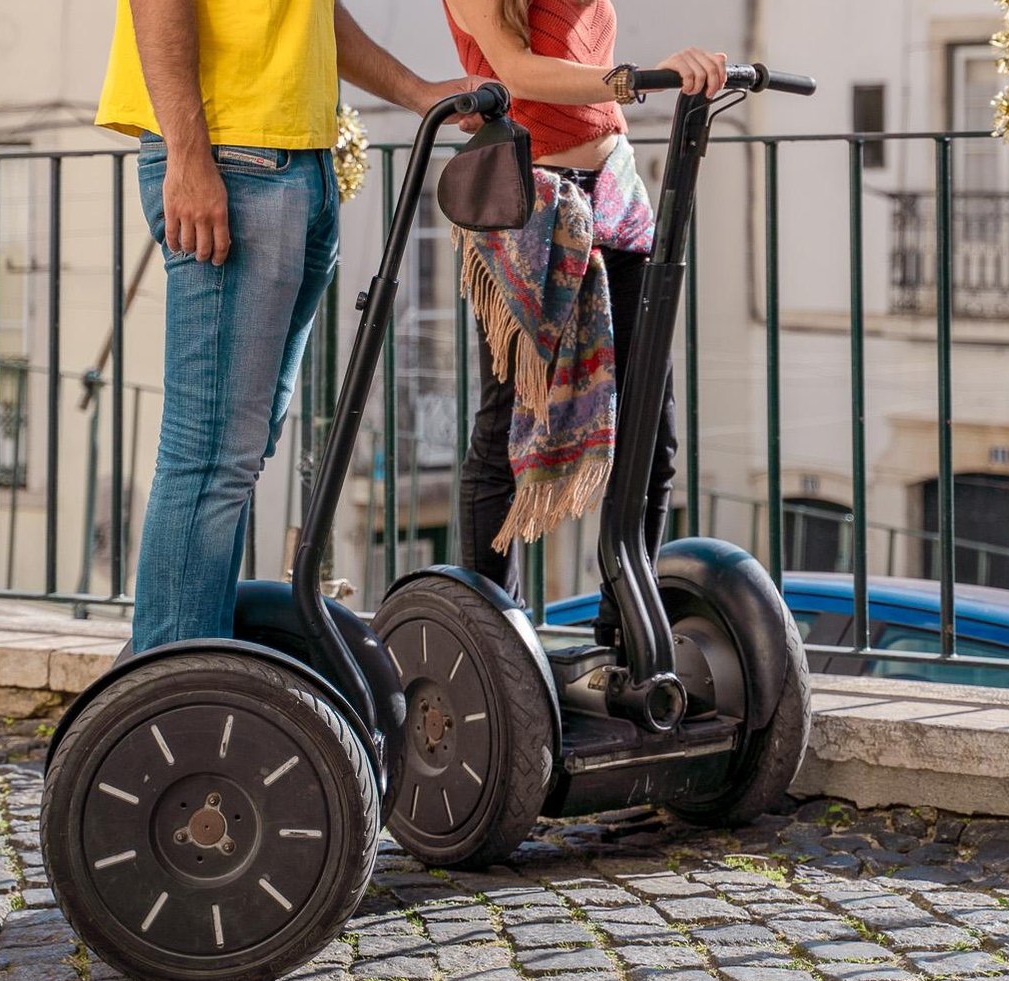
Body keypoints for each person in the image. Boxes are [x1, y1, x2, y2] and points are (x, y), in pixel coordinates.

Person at [96, 0, 476, 651]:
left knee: (238, 454)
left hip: (302, 159)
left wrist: (418, 93)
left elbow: (309, 13)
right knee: (209, 454)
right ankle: (168, 700)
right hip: (232, 155)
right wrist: (189, 156)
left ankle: (182, 672)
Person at [444, 0, 726, 643]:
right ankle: (493, 640)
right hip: (530, 196)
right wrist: (635, 78)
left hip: (616, 188)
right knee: (506, 429)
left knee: (654, 434)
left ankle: (623, 634)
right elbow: (517, 73)